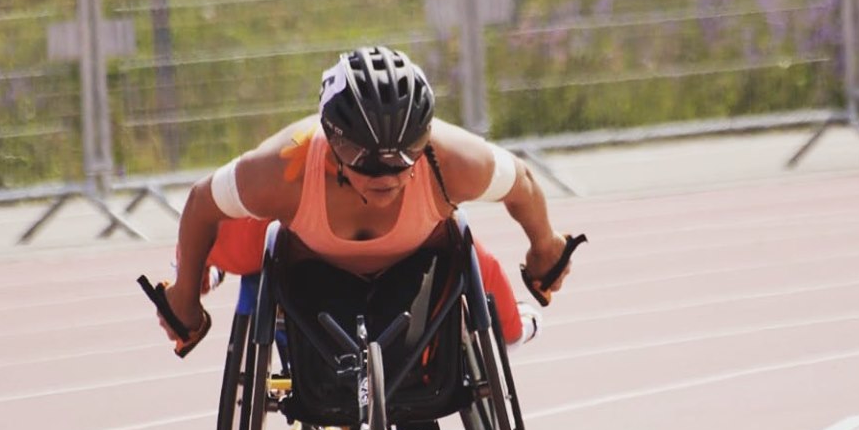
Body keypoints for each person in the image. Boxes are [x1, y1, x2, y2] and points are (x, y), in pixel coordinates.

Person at [155, 45, 581, 361]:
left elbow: (522, 182)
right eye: (365, 157)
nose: (388, 172)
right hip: (308, 265)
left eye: (406, 151)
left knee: (471, 257)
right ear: (332, 137)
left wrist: (545, 247)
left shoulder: (453, 159)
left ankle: (513, 327)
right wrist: (186, 299)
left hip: (415, 265)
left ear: (426, 135)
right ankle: (205, 268)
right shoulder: (288, 165)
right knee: (244, 235)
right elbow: (201, 202)